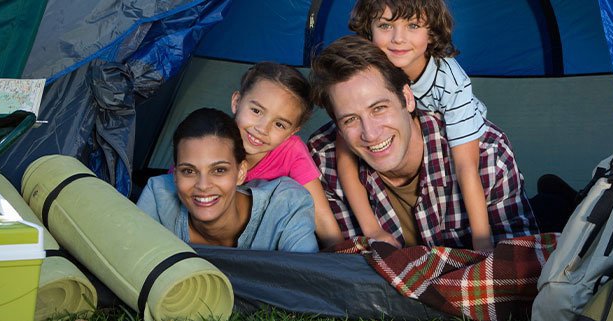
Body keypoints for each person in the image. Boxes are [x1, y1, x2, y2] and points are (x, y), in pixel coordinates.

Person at [307, 35, 537, 249]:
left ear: (407, 98)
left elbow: (514, 269)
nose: (371, 133)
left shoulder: (489, 154)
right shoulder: (321, 165)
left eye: (378, 108)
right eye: (350, 120)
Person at [335, 0, 496, 250]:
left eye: (413, 25)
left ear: (431, 32)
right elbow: (344, 155)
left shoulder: (451, 81)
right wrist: (372, 229)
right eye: (385, 25)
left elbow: (466, 167)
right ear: (369, 29)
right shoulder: (368, 70)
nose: (398, 39)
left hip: (463, 143)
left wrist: (483, 243)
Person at [137, 108, 318, 253]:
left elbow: (307, 284)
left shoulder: (286, 206)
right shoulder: (159, 196)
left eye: (219, 170)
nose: (203, 186)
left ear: (241, 173)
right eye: (189, 171)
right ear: (175, 175)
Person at [228, 62, 342, 248]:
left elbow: (320, 215)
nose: (262, 129)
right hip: (213, 239)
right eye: (256, 111)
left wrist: (341, 257)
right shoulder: (211, 140)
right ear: (236, 102)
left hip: (267, 247)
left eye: (279, 124)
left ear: (292, 132)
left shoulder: (291, 151)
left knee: (291, 194)